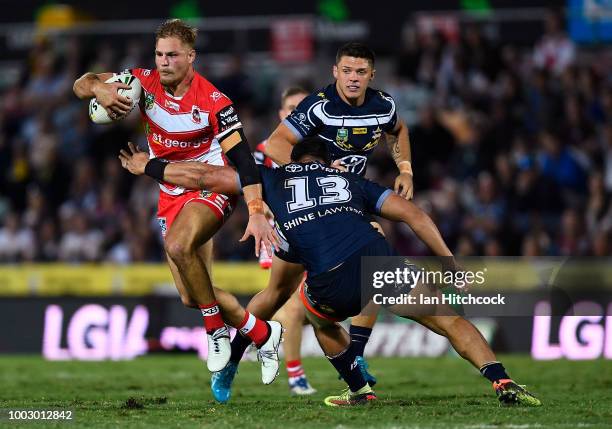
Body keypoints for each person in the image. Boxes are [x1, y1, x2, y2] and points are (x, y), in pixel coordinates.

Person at [119, 137, 542, 408]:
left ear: (295, 158)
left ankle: (359, 388)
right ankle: (502, 380)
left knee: (316, 316)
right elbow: (413, 214)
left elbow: (203, 174)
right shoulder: (350, 181)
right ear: (330, 161)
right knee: (449, 320)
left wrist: (148, 167)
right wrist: (448, 261)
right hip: (377, 259)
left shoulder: (270, 176)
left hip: (328, 273)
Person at [74, 19, 282, 382]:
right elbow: (80, 83)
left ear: (190, 56)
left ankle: (215, 331)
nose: (163, 62)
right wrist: (98, 88)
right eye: (159, 54)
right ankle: (264, 333)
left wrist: (255, 209)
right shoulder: (140, 81)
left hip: (210, 187)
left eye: (172, 55)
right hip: (171, 192)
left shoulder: (215, 102)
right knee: (191, 293)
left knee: (177, 244)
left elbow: (246, 163)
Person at [253, 86, 317, 396]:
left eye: (301, 107)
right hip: (278, 234)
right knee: (293, 308)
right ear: (281, 114)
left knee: (310, 310)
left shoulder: (319, 150)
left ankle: (257, 331)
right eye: (290, 107)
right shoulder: (264, 150)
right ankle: (296, 376)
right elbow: (254, 192)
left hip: (317, 235)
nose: (295, 112)